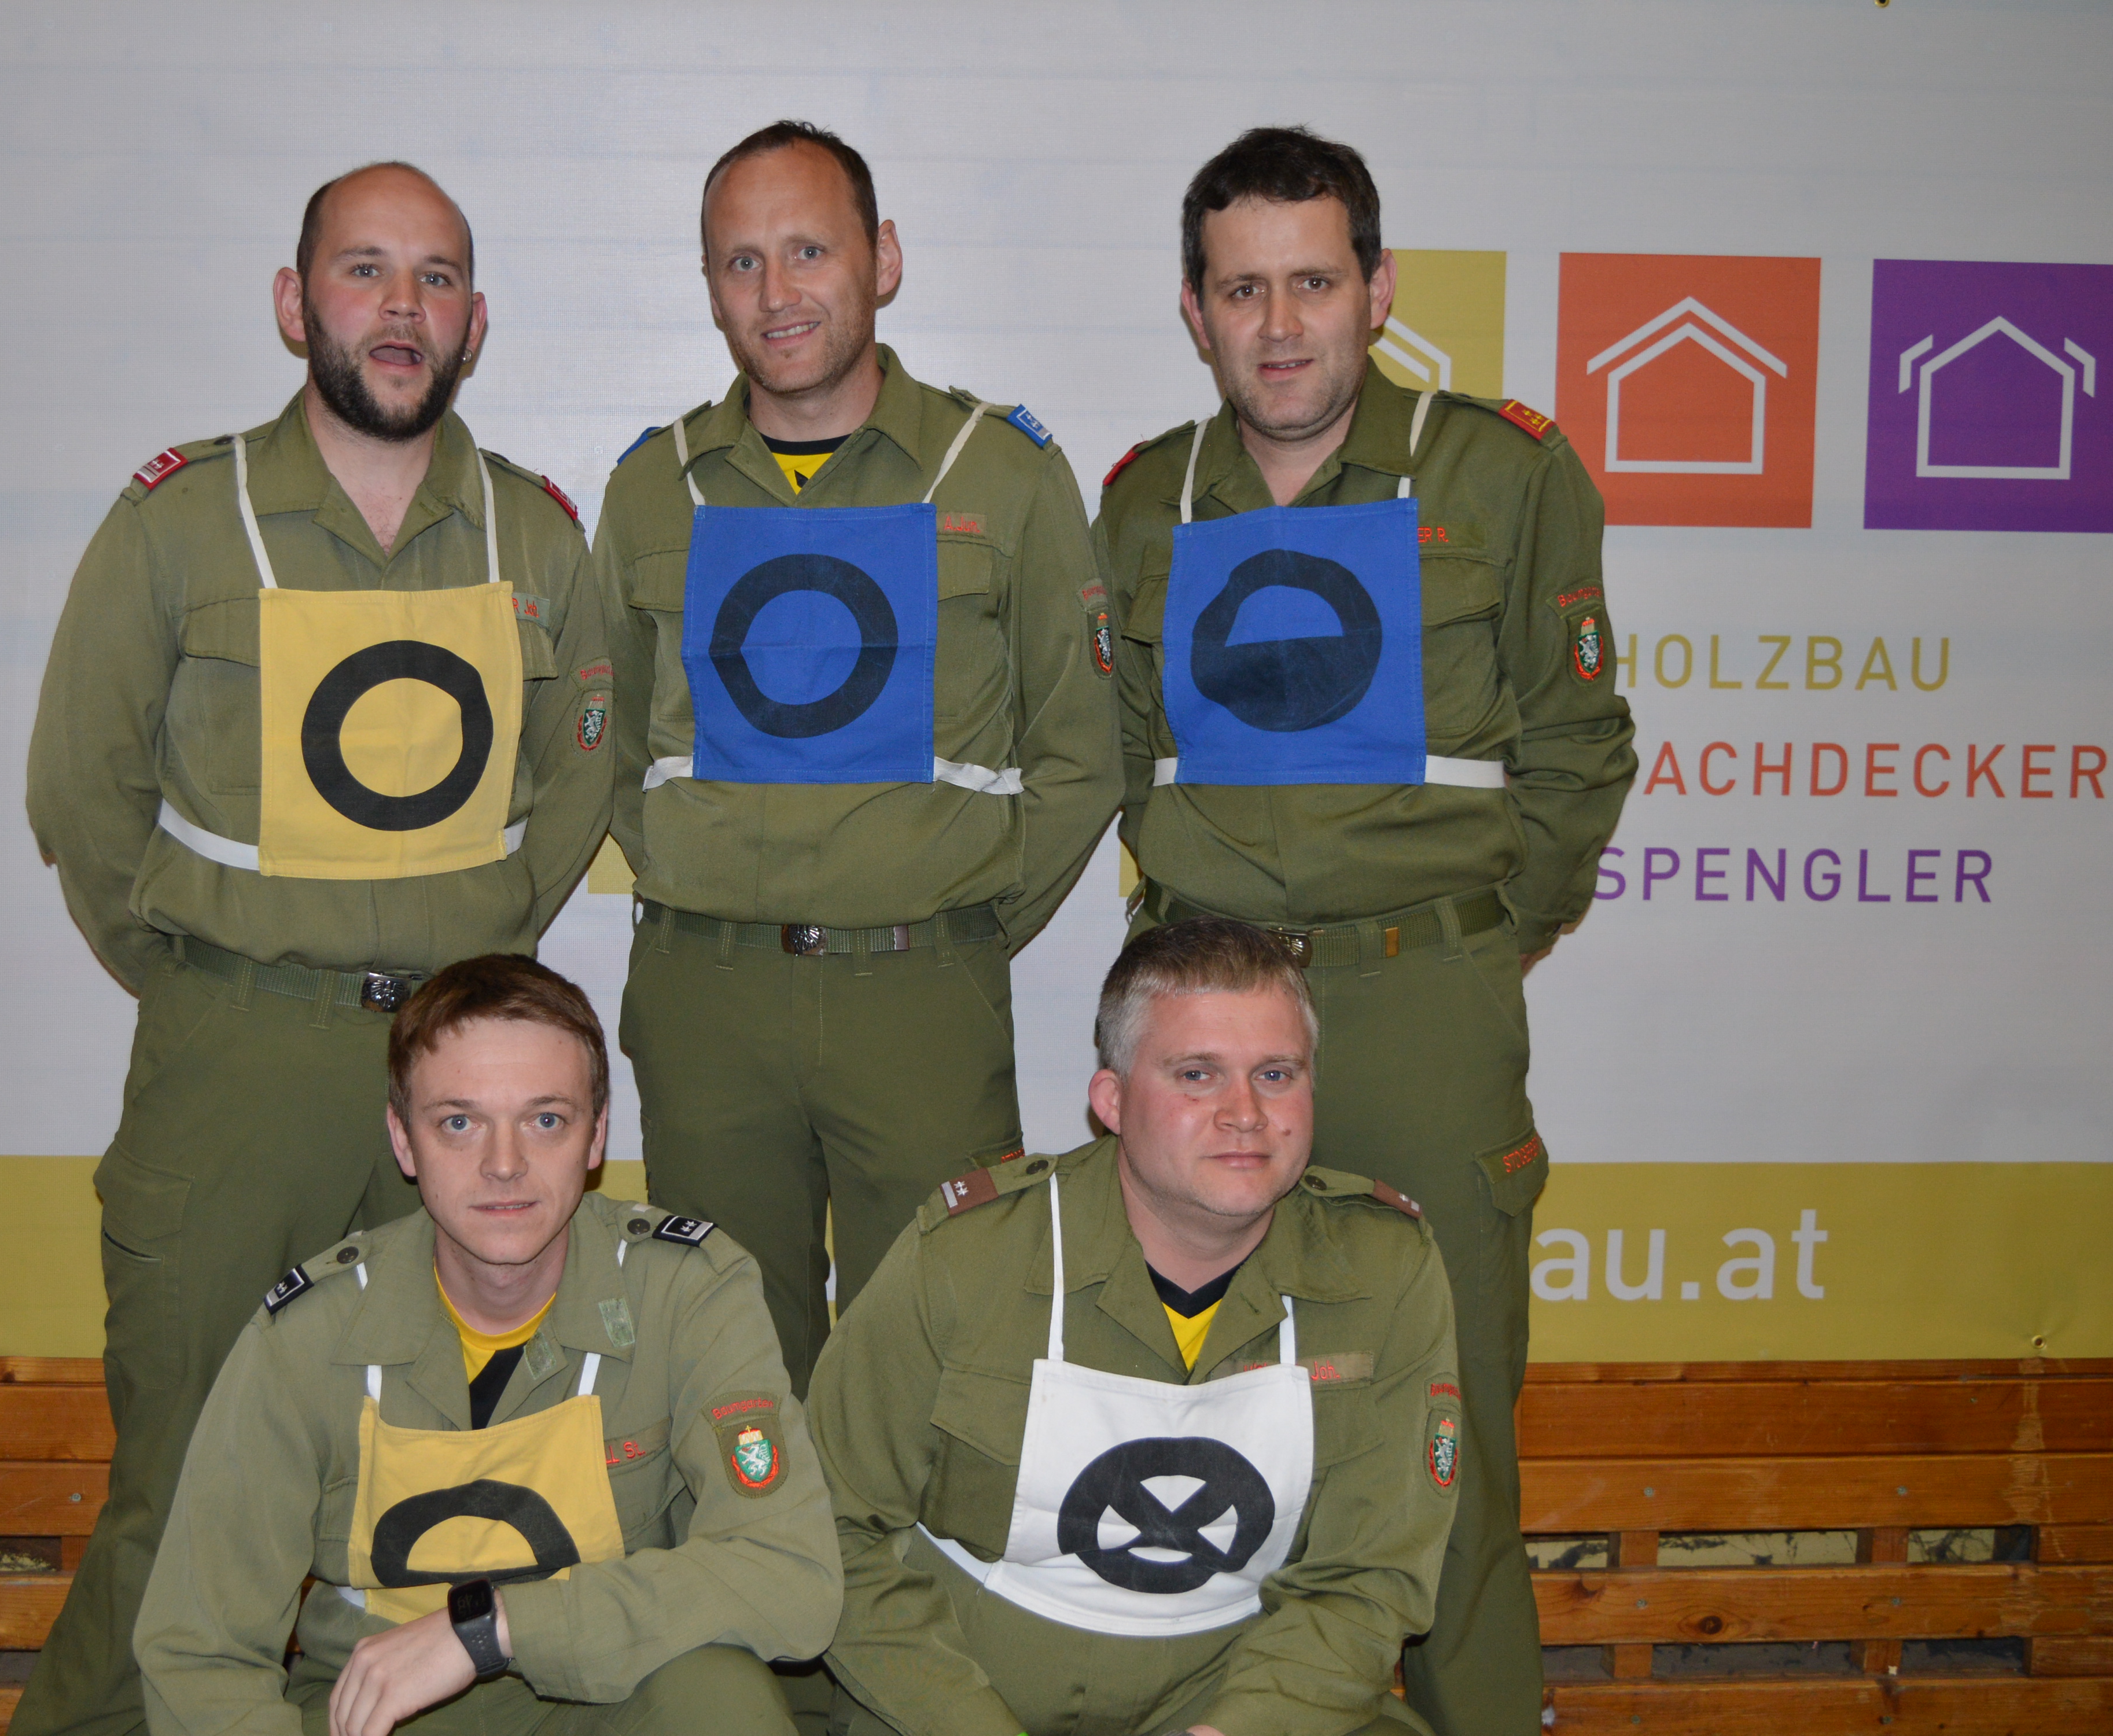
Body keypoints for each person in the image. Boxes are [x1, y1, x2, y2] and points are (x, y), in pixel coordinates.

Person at [21, 162, 613, 1736]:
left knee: (441, 1486)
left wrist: (471, 973)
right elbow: (80, 788)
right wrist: (211, 981)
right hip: (239, 1066)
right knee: (180, 1492)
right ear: (297, 305)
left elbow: (577, 784)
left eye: (436, 279)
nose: (401, 308)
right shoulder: (180, 520)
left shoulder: (537, 538)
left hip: (462, 1083)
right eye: (365, 271)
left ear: (476, 323)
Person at [1094, 126, 1636, 1735]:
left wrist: (1474, 940)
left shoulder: (1500, 475)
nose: (1279, 326)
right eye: (1241, 290)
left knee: (1446, 1430)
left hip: (1419, 1012)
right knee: (1214, 1419)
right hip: (1209, 1030)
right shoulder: (1145, 500)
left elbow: (1579, 749)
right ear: (1194, 310)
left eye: (1313, 284)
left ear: (1378, 291)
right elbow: (1119, 757)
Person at [595, 120, 1122, 1396]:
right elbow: (602, 747)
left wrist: (958, 921)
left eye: (810, 251)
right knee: (726, 1372)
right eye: (741, 262)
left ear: (883, 259)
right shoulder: (655, 488)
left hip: (922, 994)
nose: (776, 292)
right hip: (708, 998)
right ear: (710, 286)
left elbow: (1081, 753)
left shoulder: (1004, 473)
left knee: (939, 1365)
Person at [135, 955, 842, 1736]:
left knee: (718, 1697)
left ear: (596, 1137)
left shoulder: (685, 1294)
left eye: (546, 1120)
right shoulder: (306, 1337)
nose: (504, 1166)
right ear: (404, 1142)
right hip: (380, 1710)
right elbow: (199, 1653)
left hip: (612, 1695)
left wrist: (490, 1629)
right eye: (459, 1123)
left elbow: (789, 1576)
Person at [809, 918, 1461, 1736]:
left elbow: (1367, 1577)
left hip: (1234, 1694)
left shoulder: (1386, 1271)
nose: (1246, 1114)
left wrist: (1240, 1731)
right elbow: (834, 1529)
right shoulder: (966, 1259)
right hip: (962, 1694)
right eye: (1197, 1075)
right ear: (1112, 1102)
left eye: (1275, 1074)